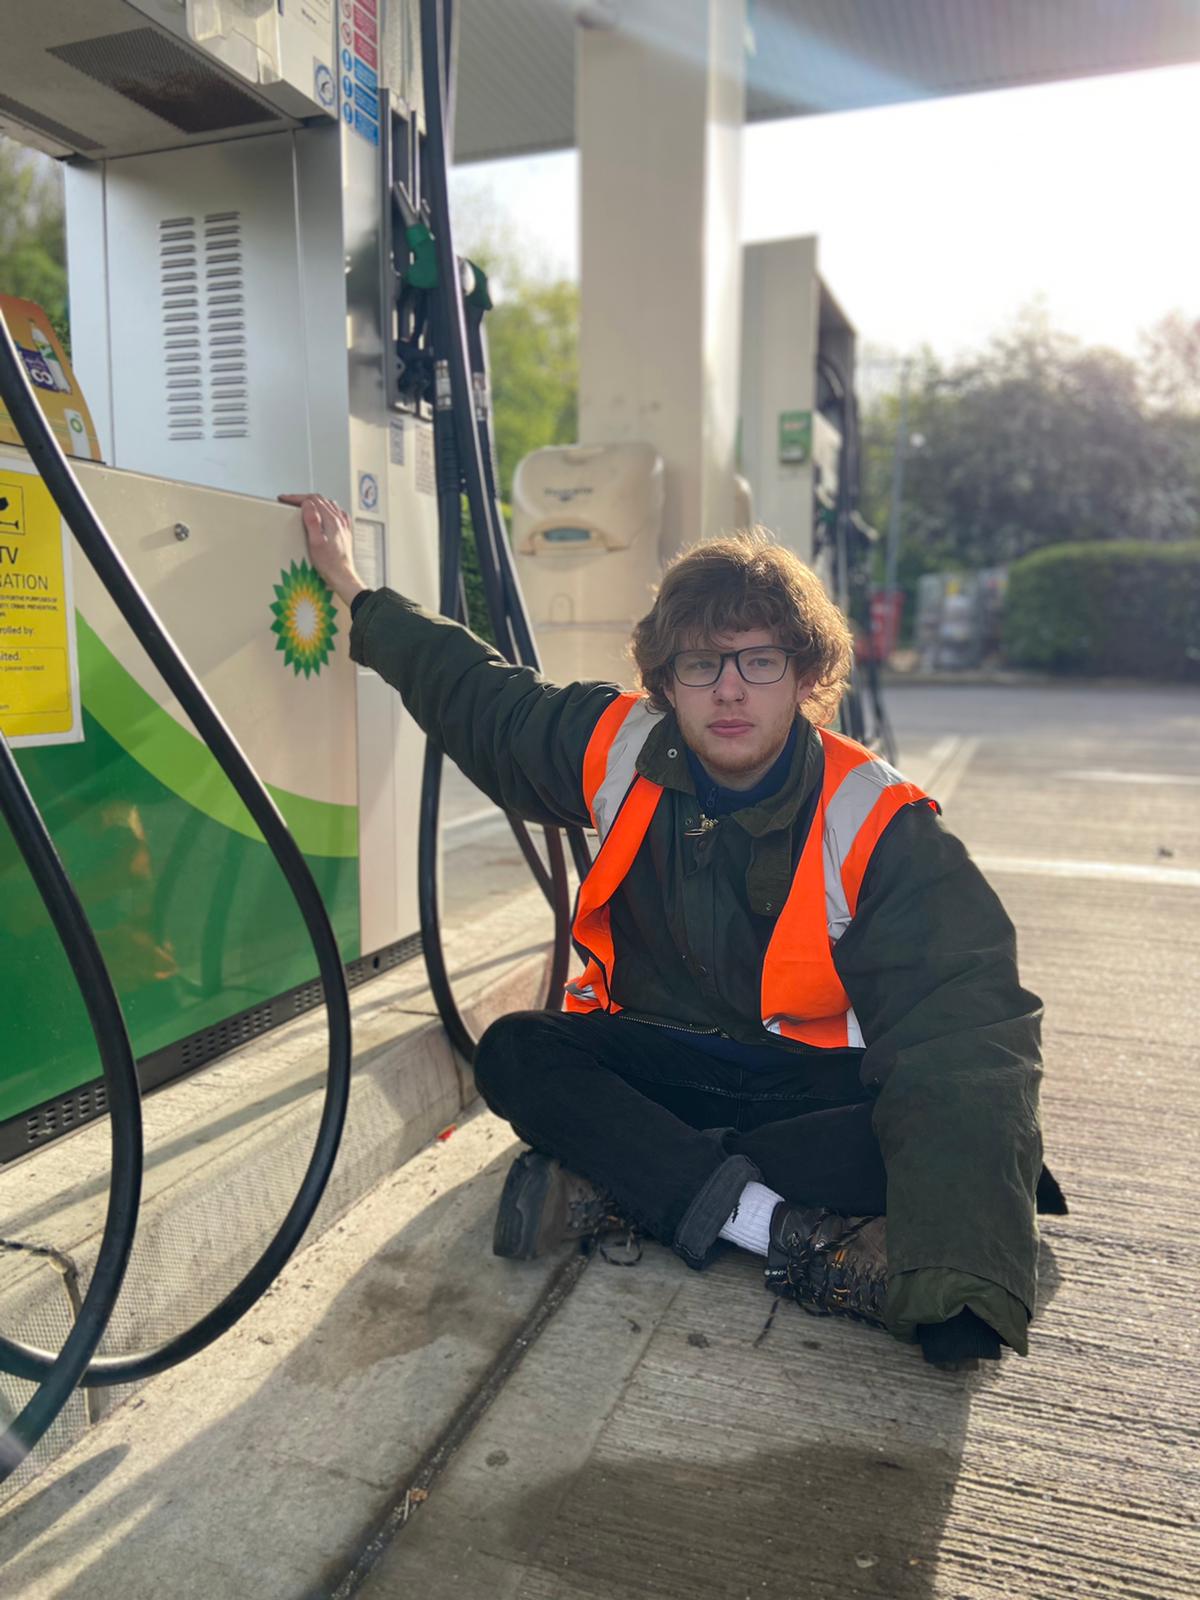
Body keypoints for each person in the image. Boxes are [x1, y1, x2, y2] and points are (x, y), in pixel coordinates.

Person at [281, 491, 1065, 1371]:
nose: (729, 689)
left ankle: (633, 1182)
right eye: (701, 664)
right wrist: (351, 587)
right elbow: (479, 697)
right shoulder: (619, 743)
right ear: (666, 681)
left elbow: (968, 1026)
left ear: (806, 678)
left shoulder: (874, 813)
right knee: (516, 1053)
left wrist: (959, 1289)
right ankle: (778, 1232)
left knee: (930, 1135)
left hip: (806, 1088)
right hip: (662, 1068)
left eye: (759, 662)